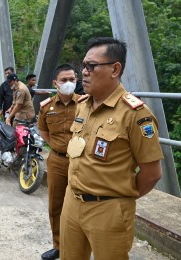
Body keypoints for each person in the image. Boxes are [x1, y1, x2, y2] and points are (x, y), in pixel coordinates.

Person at [60, 37, 163, 259]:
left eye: (92, 66)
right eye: (83, 66)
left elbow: (152, 174)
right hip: (72, 201)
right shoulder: (83, 105)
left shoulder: (135, 114)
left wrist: (118, 197)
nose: (84, 72)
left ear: (115, 69)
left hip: (108, 209)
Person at [37, 64, 80, 260]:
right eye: (64, 80)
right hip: (57, 160)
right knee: (56, 204)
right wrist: (54, 144)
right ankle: (59, 245)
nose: (68, 83)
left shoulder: (85, 104)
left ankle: (79, 246)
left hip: (81, 162)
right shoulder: (47, 107)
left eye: (72, 79)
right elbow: (43, 129)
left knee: (82, 204)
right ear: (55, 83)